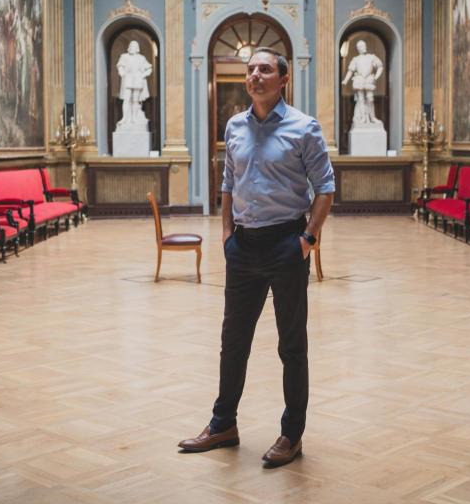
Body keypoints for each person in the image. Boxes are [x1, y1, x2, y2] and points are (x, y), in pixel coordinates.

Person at [178, 47, 335, 468]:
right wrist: (228, 235)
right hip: (244, 248)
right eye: (250, 69)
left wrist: (307, 239)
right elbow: (228, 182)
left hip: (287, 243)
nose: (255, 75)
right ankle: (223, 424)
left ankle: (291, 434)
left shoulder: (305, 128)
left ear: (284, 79)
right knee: (234, 342)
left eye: (264, 69)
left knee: (291, 345)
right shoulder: (234, 126)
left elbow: (326, 188)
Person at [342, 39, 384, 127]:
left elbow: (380, 66)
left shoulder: (371, 57)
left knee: (370, 98)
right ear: (358, 48)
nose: (364, 47)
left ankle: (372, 117)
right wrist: (345, 80)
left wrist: (376, 77)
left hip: (369, 79)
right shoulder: (356, 59)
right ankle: (363, 117)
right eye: (362, 46)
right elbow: (350, 71)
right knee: (360, 99)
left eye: (364, 45)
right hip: (359, 79)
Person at [116, 41, 152, 127]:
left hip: (138, 79)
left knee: (136, 100)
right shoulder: (124, 56)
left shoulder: (141, 58)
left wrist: (143, 75)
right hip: (128, 78)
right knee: (126, 99)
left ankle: (134, 118)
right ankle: (124, 118)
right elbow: (120, 66)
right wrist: (122, 72)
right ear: (129, 47)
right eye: (131, 46)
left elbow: (149, 68)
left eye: (134, 46)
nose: (132, 47)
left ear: (137, 48)